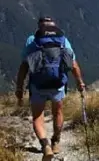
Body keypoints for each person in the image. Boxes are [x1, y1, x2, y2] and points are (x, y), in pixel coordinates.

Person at [15, 16, 86, 160]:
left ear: (39, 27)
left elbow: (23, 67)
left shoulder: (32, 41)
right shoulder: (63, 41)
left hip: (38, 85)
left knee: (37, 117)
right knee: (58, 112)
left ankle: (45, 145)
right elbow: (73, 64)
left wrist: (19, 89)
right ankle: (56, 141)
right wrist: (80, 83)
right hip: (58, 85)